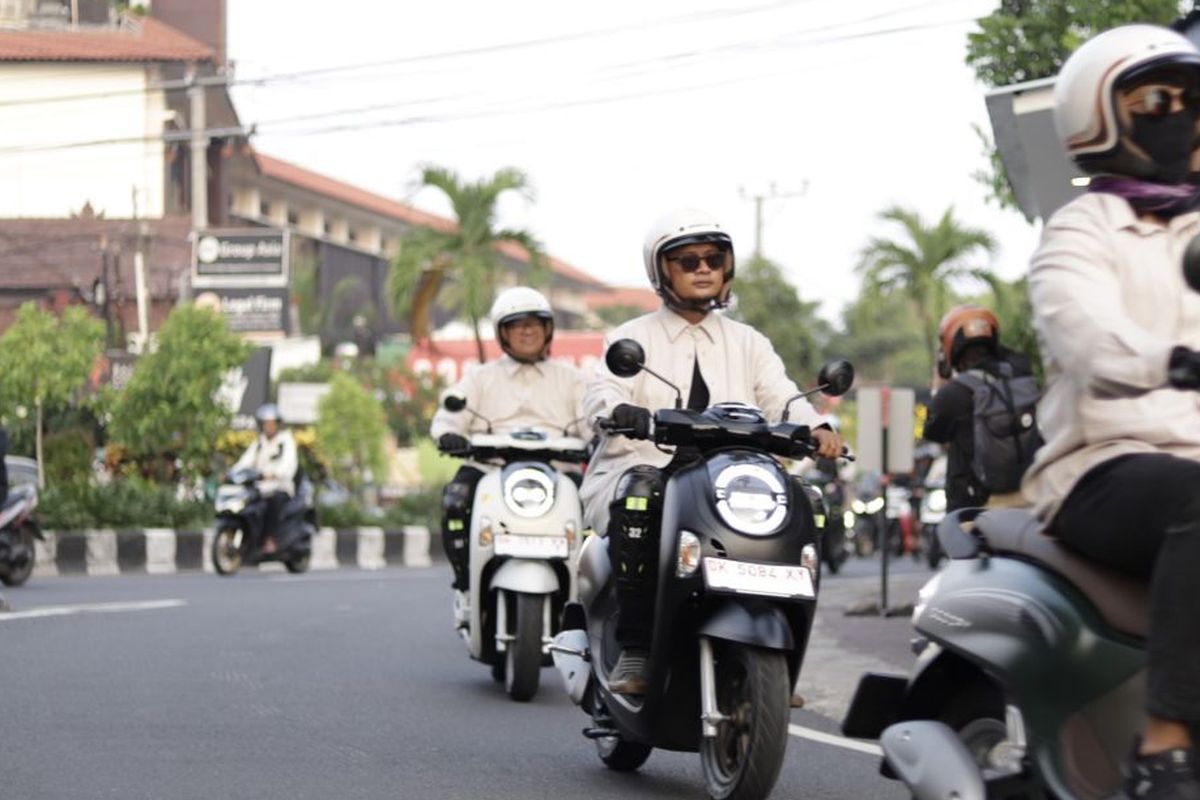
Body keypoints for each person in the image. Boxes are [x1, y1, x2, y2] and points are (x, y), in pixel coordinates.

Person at [1025, 24, 1200, 798]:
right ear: (1101, 118)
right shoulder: (1080, 229)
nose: (1184, 117)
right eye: (1159, 101)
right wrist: (1172, 358)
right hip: (1104, 465)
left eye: (1194, 101)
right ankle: (1164, 744)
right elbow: (1085, 330)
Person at [581, 208, 843, 695]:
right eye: (687, 260)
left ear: (726, 268)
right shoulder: (631, 338)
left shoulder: (749, 342)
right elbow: (603, 392)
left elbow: (781, 396)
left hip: (730, 476)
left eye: (713, 258)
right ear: (662, 272)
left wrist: (819, 427)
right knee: (640, 494)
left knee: (804, 502)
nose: (703, 268)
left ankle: (781, 658)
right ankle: (636, 648)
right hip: (649, 467)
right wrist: (622, 411)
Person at [429, 286, 587, 623]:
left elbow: (592, 423)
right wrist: (448, 435)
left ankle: (586, 597)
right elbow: (448, 415)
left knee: (596, 509)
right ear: (503, 333)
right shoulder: (479, 377)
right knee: (456, 499)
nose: (527, 331)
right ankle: (465, 581)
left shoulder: (574, 379)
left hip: (558, 471)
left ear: (548, 330)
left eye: (535, 323)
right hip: (490, 469)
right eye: (517, 324)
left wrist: (599, 437)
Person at [923, 305, 1037, 512]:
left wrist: (939, 381)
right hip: (1031, 501)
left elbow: (933, 433)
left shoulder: (954, 394)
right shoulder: (1025, 380)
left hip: (972, 509)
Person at [232, 403, 298, 559]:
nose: (268, 427)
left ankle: (270, 539)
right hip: (261, 487)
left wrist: (274, 474)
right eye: (265, 424)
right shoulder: (259, 443)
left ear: (277, 424)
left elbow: (288, 465)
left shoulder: (286, 441)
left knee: (272, 503)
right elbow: (245, 461)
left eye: (271, 423)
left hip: (281, 487)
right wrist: (232, 473)